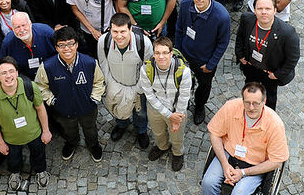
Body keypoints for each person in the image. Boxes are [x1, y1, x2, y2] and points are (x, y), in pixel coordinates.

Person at [196, 82, 289, 195]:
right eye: (247, 102)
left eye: (256, 103)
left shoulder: (275, 124)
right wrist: (225, 165)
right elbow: (215, 134)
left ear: (264, 101)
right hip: (229, 155)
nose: (251, 107)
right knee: (208, 182)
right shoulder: (231, 107)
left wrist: (243, 173)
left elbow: (276, 161)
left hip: (253, 166)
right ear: (242, 99)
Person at [35, 27, 105, 162]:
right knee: (68, 130)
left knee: (90, 128)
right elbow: (40, 86)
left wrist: (94, 99)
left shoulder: (90, 62)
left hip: (87, 107)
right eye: (61, 45)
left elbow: (99, 81)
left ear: (77, 44)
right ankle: (72, 143)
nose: (66, 48)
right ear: (56, 47)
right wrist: (52, 101)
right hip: (63, 109)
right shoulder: (47, 67)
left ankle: (93, 144)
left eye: (70, 44)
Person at [0, 57, 51, 190]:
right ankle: (15, 173)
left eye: (11, 71)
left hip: (34, 133)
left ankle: (40, 170)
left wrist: (46, 130)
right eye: (3, 73)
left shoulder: (30, 87)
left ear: (17, 72)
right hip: (11, 138)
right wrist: (0, 142)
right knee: (13, 158)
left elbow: (40, 108)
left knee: (38, 154)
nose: (8, 76)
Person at [174, 0, 231, 125]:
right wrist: (178, 53)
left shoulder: (222, 16)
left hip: (204, 61)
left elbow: (223, 43)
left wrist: (211, 64)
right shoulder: (186, 4)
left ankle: (199, 106)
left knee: (204, 86)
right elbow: (179, 28)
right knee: (183, 82)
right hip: (185, 56)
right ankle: (184, 101)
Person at [97, 13, 152, 148]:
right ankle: (122, 124)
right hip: (116, 84)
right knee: (119, 106)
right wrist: (112, 86)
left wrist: (137, 90)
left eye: (123, 31)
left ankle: (141, 130)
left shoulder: (144, 43)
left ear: (130, 29)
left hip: (138, 86)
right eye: (115, 31)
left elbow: (148, 69)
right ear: (110, 29)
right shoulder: (104, 41)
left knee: (141, 112)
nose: (119, 36)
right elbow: (103, 65)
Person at [235, 0, 300, 110]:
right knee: (249, 89)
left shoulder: (287, 33)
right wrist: (240, 55)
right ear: (254, 10)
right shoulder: (247, 19)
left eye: (268, 9)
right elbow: (240, 37)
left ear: (275, 10)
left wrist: (277, 75)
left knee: (269, 97)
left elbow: (292, 59)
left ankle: (268, 117)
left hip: (269, 72)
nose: (264, 12)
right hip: (250, 66)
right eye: (260, 8)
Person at [139, 36, 191, 171]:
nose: (161, 56)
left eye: (164, 53)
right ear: (153, 54)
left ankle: (177, 153)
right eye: (157, 53)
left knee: (177, 136)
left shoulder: (183, 71)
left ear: (171, 53)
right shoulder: (146, 69)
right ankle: (162, 146)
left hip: (177, 110)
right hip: (155, 109)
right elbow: (149, 95)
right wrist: (168, 114)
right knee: (158, 132)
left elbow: (184, 97)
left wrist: (176, 117)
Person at [0, 12, 56, 79]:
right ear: (12, 29)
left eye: (24, 25)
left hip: (51, 75)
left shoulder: (47, 33)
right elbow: (3, 65)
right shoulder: (8, 43)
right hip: (25, 81)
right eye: (17, 27)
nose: (22, 30)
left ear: (30, 24)